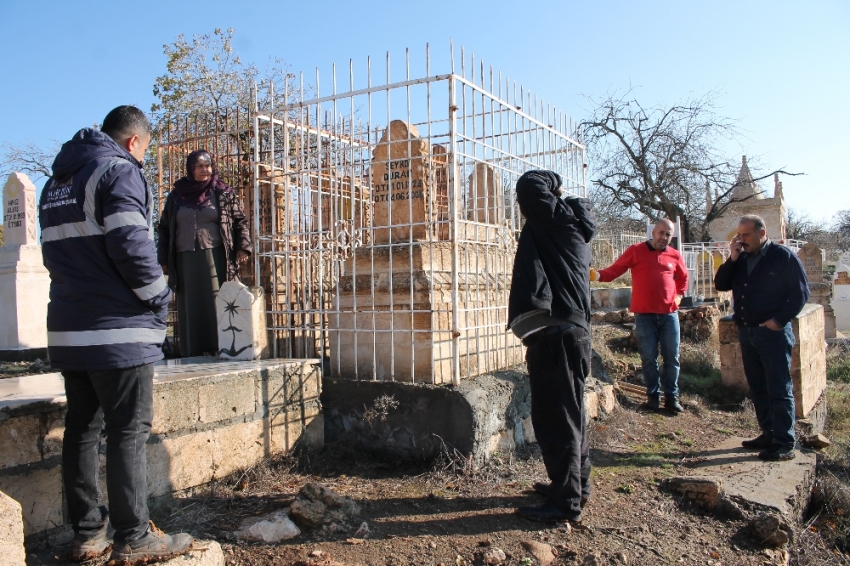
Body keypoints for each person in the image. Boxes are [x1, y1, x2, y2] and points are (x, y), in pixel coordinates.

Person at [39, 106, 192, 563]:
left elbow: (56, 255)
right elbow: (131, 245)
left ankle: (88, 536)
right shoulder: (119, 173)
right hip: (117, 333)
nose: (143, 158)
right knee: (128, 431)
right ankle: (134, 537)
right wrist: (160, 297)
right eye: (144, 149)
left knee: (82, 431)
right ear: (133, 142)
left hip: (71, 329)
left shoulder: (56, 183)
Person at [507, 170, 596, 523]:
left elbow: (529, 184)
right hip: (567, 335)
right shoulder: (571, 231)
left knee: (557, 420)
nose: (522, 206)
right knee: (570, 418)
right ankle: (574, 487)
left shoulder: (559, 223)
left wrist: (552, 181)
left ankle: (564, 503)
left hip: (557, 336)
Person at [714, 214, 809, 461]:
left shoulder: (782, 257)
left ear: (762, 234)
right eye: (739, 235)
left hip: (773, 334)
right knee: (758, 387)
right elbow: (721, 284)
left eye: (746, 235)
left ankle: (784, 442)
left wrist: (779, 320)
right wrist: (732, 258)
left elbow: (800, 294)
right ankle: (768, 433)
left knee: (779, 387)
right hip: (747, 332)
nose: (741, 240)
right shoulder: (741, 258)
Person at [156, 149, 251, 357]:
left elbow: (239, 221)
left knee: (216, 301)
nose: (204, 170)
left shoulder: (222, 192)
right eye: (199, 166)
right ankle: (193, 351)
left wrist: (242, 247)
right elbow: (163, 228)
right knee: (190, 305)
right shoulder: (176, 196)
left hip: (216, 256)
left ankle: (222, 348)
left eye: (207, 166)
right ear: (191, 168)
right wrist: (163, 259)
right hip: (184, 260)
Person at [591, 219, 689, 413]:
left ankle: (671, 398)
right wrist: (596, 275)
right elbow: (615, 270)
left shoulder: (675, 255)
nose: (664, 237)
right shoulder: (636, 250)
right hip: (645, 315)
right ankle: (653, 398)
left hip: (669, 315)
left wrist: (678, 295)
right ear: (653, 232)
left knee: (672, 358)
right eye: (661, 232)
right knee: (648, 358)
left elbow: (683, 278)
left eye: (668, 234)